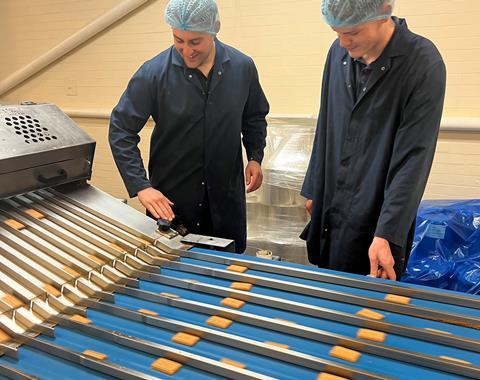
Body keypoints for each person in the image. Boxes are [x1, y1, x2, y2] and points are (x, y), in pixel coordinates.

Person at [300, 0, 446, 280]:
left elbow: (414, 158)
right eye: (337, 33)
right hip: (332, 204)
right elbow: (326, 121)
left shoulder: (422, 62)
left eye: (352, 33)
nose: (343, 43)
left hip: (375, 216)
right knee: (329, 297)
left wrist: (387, 233)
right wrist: (314, 189)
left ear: (382, 13)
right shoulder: (338, 54)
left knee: (369, 310)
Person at [109, 0, 269, 253]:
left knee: (228, 274)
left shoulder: (242, 68)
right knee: (171, 276)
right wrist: (141, 186)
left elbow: (254, 117)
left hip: (225, 200)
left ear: (215, 29)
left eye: (195, 42)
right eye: (178, 40)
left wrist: (255, 157)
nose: (186, 50)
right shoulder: (153, 74)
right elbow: (121, 129)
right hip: (173, 204)